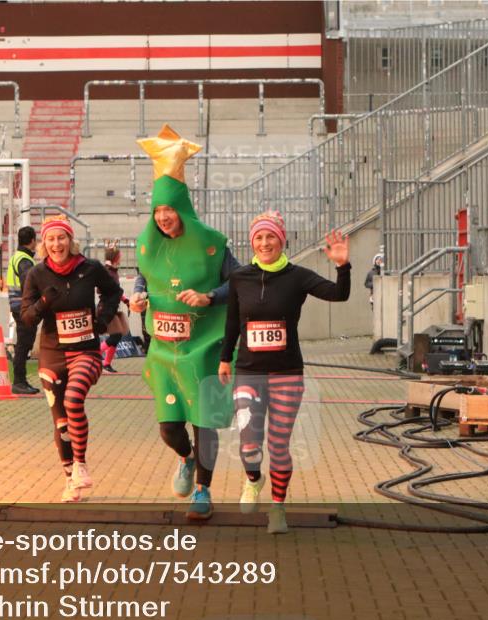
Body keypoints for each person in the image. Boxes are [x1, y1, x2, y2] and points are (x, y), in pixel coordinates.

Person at [129, 124, 240, 520]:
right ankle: (185, 458)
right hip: (164, 350)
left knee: (204, 422)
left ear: (183, 210)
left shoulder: (213, 242)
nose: (163, 218)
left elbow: (238, 282)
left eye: (169, 211)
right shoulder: (146, 243)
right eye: (157, 212)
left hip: (206, 345)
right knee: (169, 428)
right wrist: (138, 295)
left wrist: (210, 296)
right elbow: (143, 275)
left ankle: (204, 492)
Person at [218, 212, 351, 534]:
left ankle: (277, 508)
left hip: (287, 373)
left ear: (282, 240)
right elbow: (233, 322)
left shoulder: (298, 276)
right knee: (249, 442)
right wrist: (225, 359)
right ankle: (253, 479)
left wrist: (342, 265)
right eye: (259, 238)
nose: (265, 243)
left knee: (278, 445)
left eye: (271, 237)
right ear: (252, 243)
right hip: (248, 372)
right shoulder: (240, 277)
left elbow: (339, 294)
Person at [20, 215, 122, 502]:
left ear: (70, 240)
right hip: (52, 354)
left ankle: (80, 464)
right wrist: (43, 302)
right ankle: (70, 479)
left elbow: (113, 291)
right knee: (61, 423)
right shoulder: (36, 275)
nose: (56, 244)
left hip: (85, 350)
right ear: (43, 244)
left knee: (73, 399)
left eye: (61, 238)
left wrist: (102, 319)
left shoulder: (89, 268)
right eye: (50, 239)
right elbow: (26, 318)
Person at [6, 225, 40, 394]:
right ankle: (19, 381)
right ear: (32, 241)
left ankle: (20, 380)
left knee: (24, 343)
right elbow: (29, 283)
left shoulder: (17, 257)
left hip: (17, 305)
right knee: (24, 344)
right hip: (23, 307)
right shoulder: (25, 260)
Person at [98, 245, 131, 373]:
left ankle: (106, 364)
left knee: (117, 335)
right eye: (119, 256)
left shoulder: (113, 271)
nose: (121, 258)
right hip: (106, 308)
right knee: (116, 335)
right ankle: (95, 354)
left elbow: (116, 291)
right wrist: (117, 295)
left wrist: (125, 300)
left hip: (112, 307)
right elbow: (101, 289)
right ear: (115, 257)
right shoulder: (107, 271)